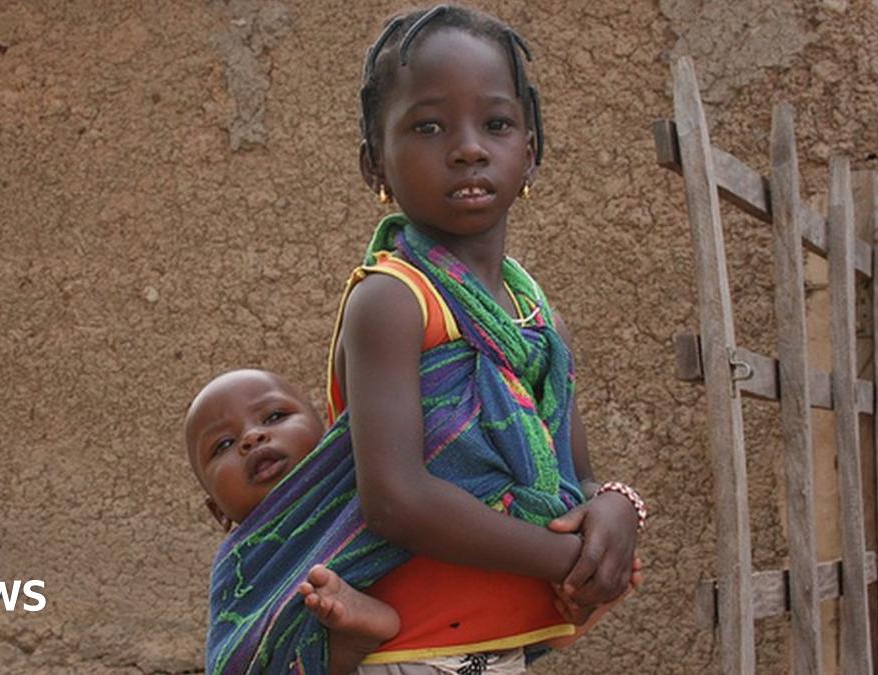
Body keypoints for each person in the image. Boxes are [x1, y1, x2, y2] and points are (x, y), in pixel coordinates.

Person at [199, 6, 645, 674]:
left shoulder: (535, 319)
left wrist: (617, 510)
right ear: (374, 162)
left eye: (496, 124)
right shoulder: (393, 301)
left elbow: (576, 477)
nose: (468, 148)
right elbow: (396, 501)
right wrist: (571, 558)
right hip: (408, 657)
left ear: (531, 151)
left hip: (500, 655)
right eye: (429, 126)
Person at [184, 369, 636, 675]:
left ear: (331, 441)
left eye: (274, 416)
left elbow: (488, 600)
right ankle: (349, 640)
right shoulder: (242, 572)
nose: (252, 437)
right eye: (222, 445)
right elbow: (243, 660)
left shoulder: (388, 497)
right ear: (218, 513)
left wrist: (576, 604)